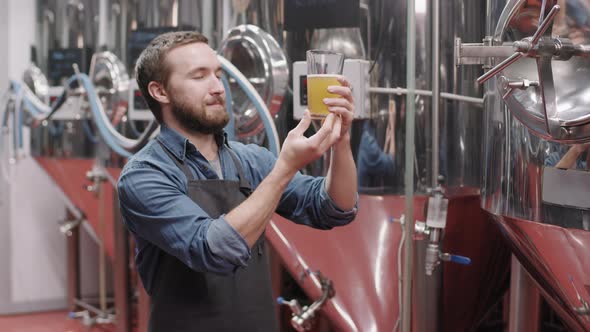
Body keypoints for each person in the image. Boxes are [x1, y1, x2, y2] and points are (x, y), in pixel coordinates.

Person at [117, 31, 358, 331]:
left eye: (218, 74)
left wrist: (342, 140)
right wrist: (283, 169)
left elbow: (333, 208)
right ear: (160, 91)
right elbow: (213, 249)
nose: (219, 87)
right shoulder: (145, 175)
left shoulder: (249, 160)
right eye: (199, 76)